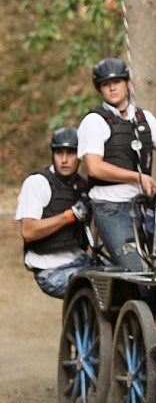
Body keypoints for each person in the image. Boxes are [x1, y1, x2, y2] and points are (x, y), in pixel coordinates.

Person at [77, 57, 156, 272]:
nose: (112, 87)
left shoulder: (144, 118)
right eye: (106, 84)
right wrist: (137, 177)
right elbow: (94, 167)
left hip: (145, 206)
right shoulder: (94, 121)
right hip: (110, 207)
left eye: (117, 81)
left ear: (127, 83)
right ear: (100, 89)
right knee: (136, 270)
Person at [16, 127, 91, 298]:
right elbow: (28, 231)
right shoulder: (38, 183)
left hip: (81, 260)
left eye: (71, 153)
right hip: (50, 270)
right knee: (95, 290)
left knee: (124, 281)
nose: (64, 160)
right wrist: (70, 215)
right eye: (59, 153)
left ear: (80, 156)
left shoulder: (84, 186)